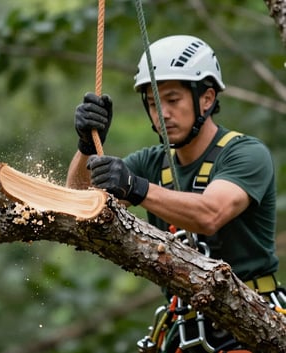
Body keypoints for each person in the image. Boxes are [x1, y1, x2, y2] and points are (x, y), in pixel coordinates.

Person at [66, 35, 281, 352]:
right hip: (182, 330)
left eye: (173, 100)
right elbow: (78, 202)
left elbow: (211, 214)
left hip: (252, 325)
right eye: (153, 103)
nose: (162, 113)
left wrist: (136, 188)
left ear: (206, 99)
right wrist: (86, 147)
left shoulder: (245, 154)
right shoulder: (151, 162)